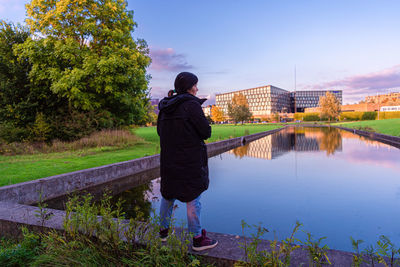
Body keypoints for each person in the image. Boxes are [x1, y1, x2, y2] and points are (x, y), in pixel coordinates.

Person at [157, 72, 218, 251]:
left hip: (169, 158)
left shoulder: (165, 106)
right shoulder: (191, 105)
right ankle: (197, 239)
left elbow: (161, 131)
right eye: (195, 85)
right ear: (189, 87)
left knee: (168, 196)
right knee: (193, 197)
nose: (197, 88)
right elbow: (205, 132)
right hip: (189, 159)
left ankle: (163, 233)